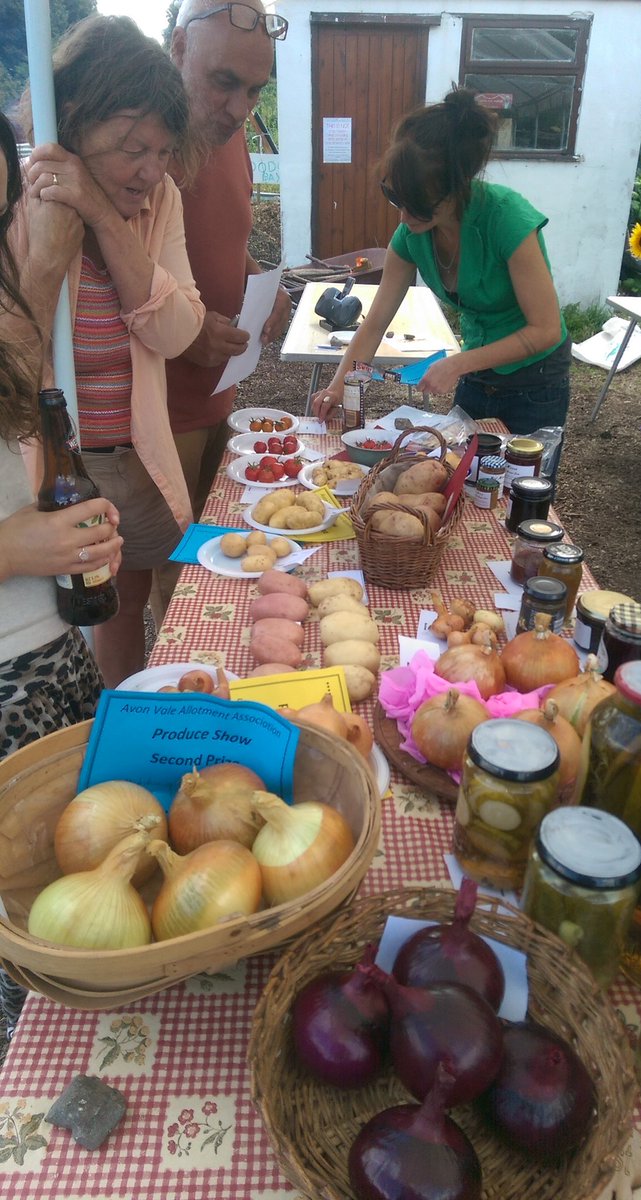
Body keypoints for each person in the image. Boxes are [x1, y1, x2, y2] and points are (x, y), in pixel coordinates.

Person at [10, 15, 205, 688]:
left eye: (162, 151)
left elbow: (177, 331)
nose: (151, 170)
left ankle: (147, 737)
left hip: (138, 454)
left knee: (149, 619)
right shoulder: (18, 203)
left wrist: (100, 210)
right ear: (72, 123)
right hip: (54, 468)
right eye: (130, 147)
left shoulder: (159, 202)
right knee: (78, 636)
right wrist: (53, 237)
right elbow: (11, 366)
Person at [0, 111, 124, 1034]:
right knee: (32, 944)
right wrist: (19, 547)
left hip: (50, 662)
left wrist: (69, 527)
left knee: (94, 895)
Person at [313, 87, 571, 440]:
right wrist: (336, 388)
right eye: (394, 198)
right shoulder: (412, 237)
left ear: (457, 187)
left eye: (417, 204)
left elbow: (546, 330)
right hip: (476, 375)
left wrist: (459, 363)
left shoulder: (507, 219)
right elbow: (374, 325)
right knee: (460, 482)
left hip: (535, 383)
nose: (403, 217)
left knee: (519, 489)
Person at [150, 0, 292, 621]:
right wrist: (183, 333)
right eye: (223, 82)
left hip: (219, 391)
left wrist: (260, 280)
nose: (240, 109)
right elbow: (107, 267)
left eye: (256, 89)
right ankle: (156, 705)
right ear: (179, 51)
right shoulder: (144, 137)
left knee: (213, 556)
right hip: (156, 403)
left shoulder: (227, 135)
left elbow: (222, 239)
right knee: (166, 580)